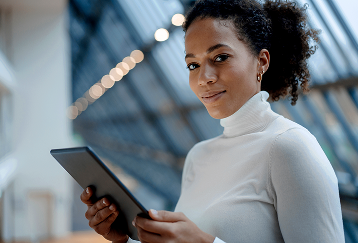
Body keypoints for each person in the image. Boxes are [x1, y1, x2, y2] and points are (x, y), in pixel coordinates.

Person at [80, 0, 345, 242]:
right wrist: (124, 239)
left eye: (220, 58)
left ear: (261, 62)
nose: (203, 77)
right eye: (193, 65)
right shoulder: (199, 156)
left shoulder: (290, 148)